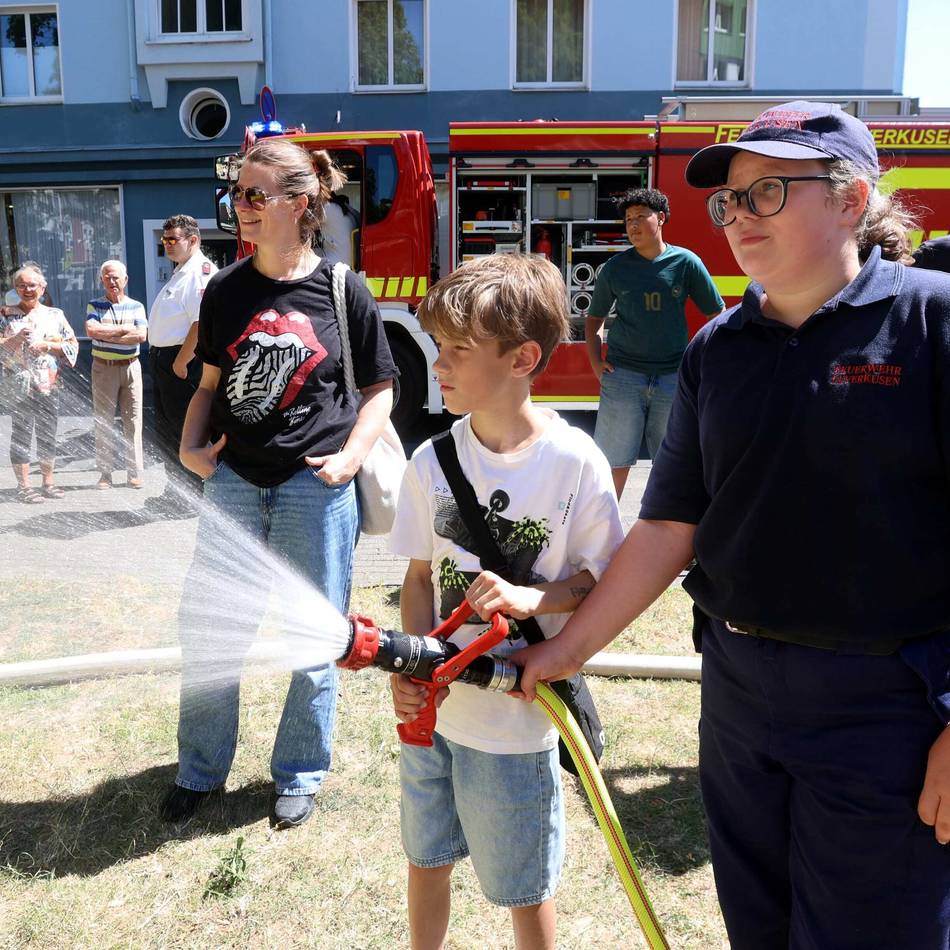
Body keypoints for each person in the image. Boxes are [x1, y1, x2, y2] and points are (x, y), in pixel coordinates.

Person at [515, 101, 950, 948]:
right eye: (729, 200)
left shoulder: (932, 321)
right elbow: (669, 526)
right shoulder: (717, 349)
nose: (738, 216)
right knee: (758, 927)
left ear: (852, 199)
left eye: (767, 192)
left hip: (888, 709)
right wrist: (563, 653)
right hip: (740, 694)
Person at [159, 138, 397, 829]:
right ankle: (199, 771)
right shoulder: (225, 289)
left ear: (301, 205)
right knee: (210, 630)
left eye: (257, 196)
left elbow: (381, 389)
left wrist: (350, 459)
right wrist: (188, 443)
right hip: (234, 482)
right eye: (238, 196)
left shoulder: (342, 287)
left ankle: (299, 771)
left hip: (313, 488)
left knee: (314, 636)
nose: (243, 208)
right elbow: (207, 380)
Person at [389, 254, 623, 950]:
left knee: (524, 886)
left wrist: (532, 594)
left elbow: (601, 581)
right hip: (434, 717)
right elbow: (420, 581)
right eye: (437, 347)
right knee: (425, 857)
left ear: (524, 358)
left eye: (459, 349)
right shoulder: (430, 461)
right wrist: (411, 666)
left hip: (515, 723)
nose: (440, 364)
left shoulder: (574, 461)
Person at [587, 188, 723, 499]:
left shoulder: (686, 262)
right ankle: (604, 538)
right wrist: (596, 362)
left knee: (672, 463)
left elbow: (717, 314)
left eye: (640, 217)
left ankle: (664, 540)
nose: (632, 225)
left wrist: (701, 360)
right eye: (628, 220)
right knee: (612, 463)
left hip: (672, 379)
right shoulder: (615, 269)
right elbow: (594, 320)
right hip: (622, 376)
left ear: (661, 218)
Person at [146, 214, 217, 510]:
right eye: (165, 240)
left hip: (182, 363)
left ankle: (191, 496)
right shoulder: (181, 272)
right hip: (166, 361)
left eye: (173, 239)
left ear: (194, 240)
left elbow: (201, 324)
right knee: (167, 430)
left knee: (185, 430)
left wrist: (180, 362)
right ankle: (176, 492)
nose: (168, 245)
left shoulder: (199, 273)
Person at [0, 264, 77, 503]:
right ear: (16, 288)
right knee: (21, 433)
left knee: (48, 433)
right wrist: (15, 338)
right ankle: (24, 486)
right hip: (18, 384)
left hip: (49, 385)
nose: (27, 289)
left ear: (42, 288)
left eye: (32, 285)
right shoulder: (6, 314)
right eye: (21, 285)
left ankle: (48, 482)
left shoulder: (56, 315)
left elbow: (72, 345)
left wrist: (47, 346)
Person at [85, 261, 148, 489]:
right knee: (103, 421)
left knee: (133, 421)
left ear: (125, 280)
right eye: (107, 277)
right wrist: (123, 331)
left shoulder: (137, 306)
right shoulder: (94, 305)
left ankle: (134, 473)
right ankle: (105, 474)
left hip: (131, 367)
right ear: (101, 279)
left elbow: (141, 335)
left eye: (116, 277)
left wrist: (107, 335)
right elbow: (91, 330)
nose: (112, 282)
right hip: (104, 368)